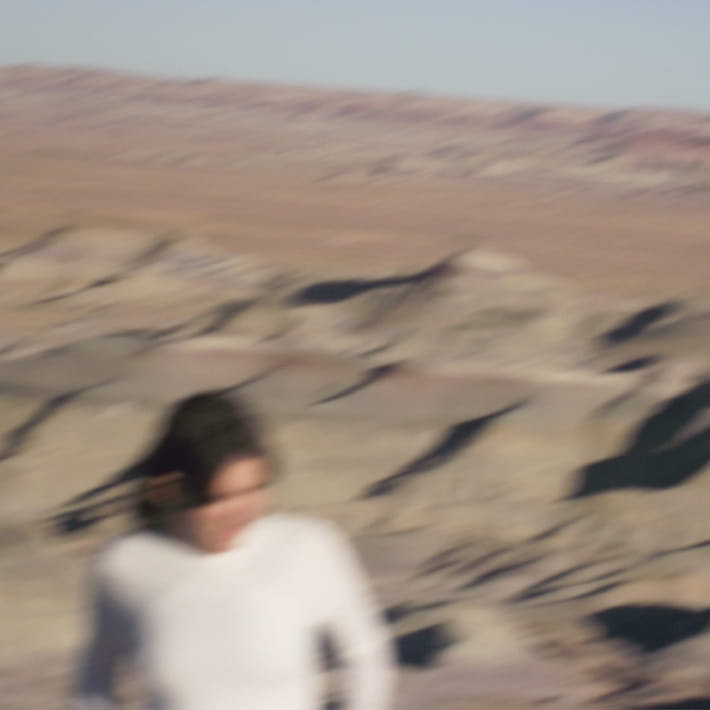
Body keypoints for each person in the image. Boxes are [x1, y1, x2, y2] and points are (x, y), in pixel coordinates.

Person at [71, 392, 396, 710]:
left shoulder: (306, 547)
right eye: (220, 498)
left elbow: (366, 655)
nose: (241, 512)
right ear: (174, 489)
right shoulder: (125, 565)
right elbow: (94, 682)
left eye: (254, 490)